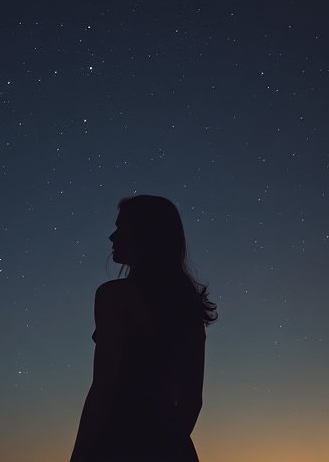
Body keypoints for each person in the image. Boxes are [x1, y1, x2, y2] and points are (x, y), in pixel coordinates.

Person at [71, 195, 217, 462]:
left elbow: (103, 387)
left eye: (120, 228)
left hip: (117, 445)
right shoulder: (187, 306)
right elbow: (192, 399)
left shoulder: (114, 296)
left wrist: (80, 456)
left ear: (145, 235)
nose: (112, 237)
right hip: (174, 449)